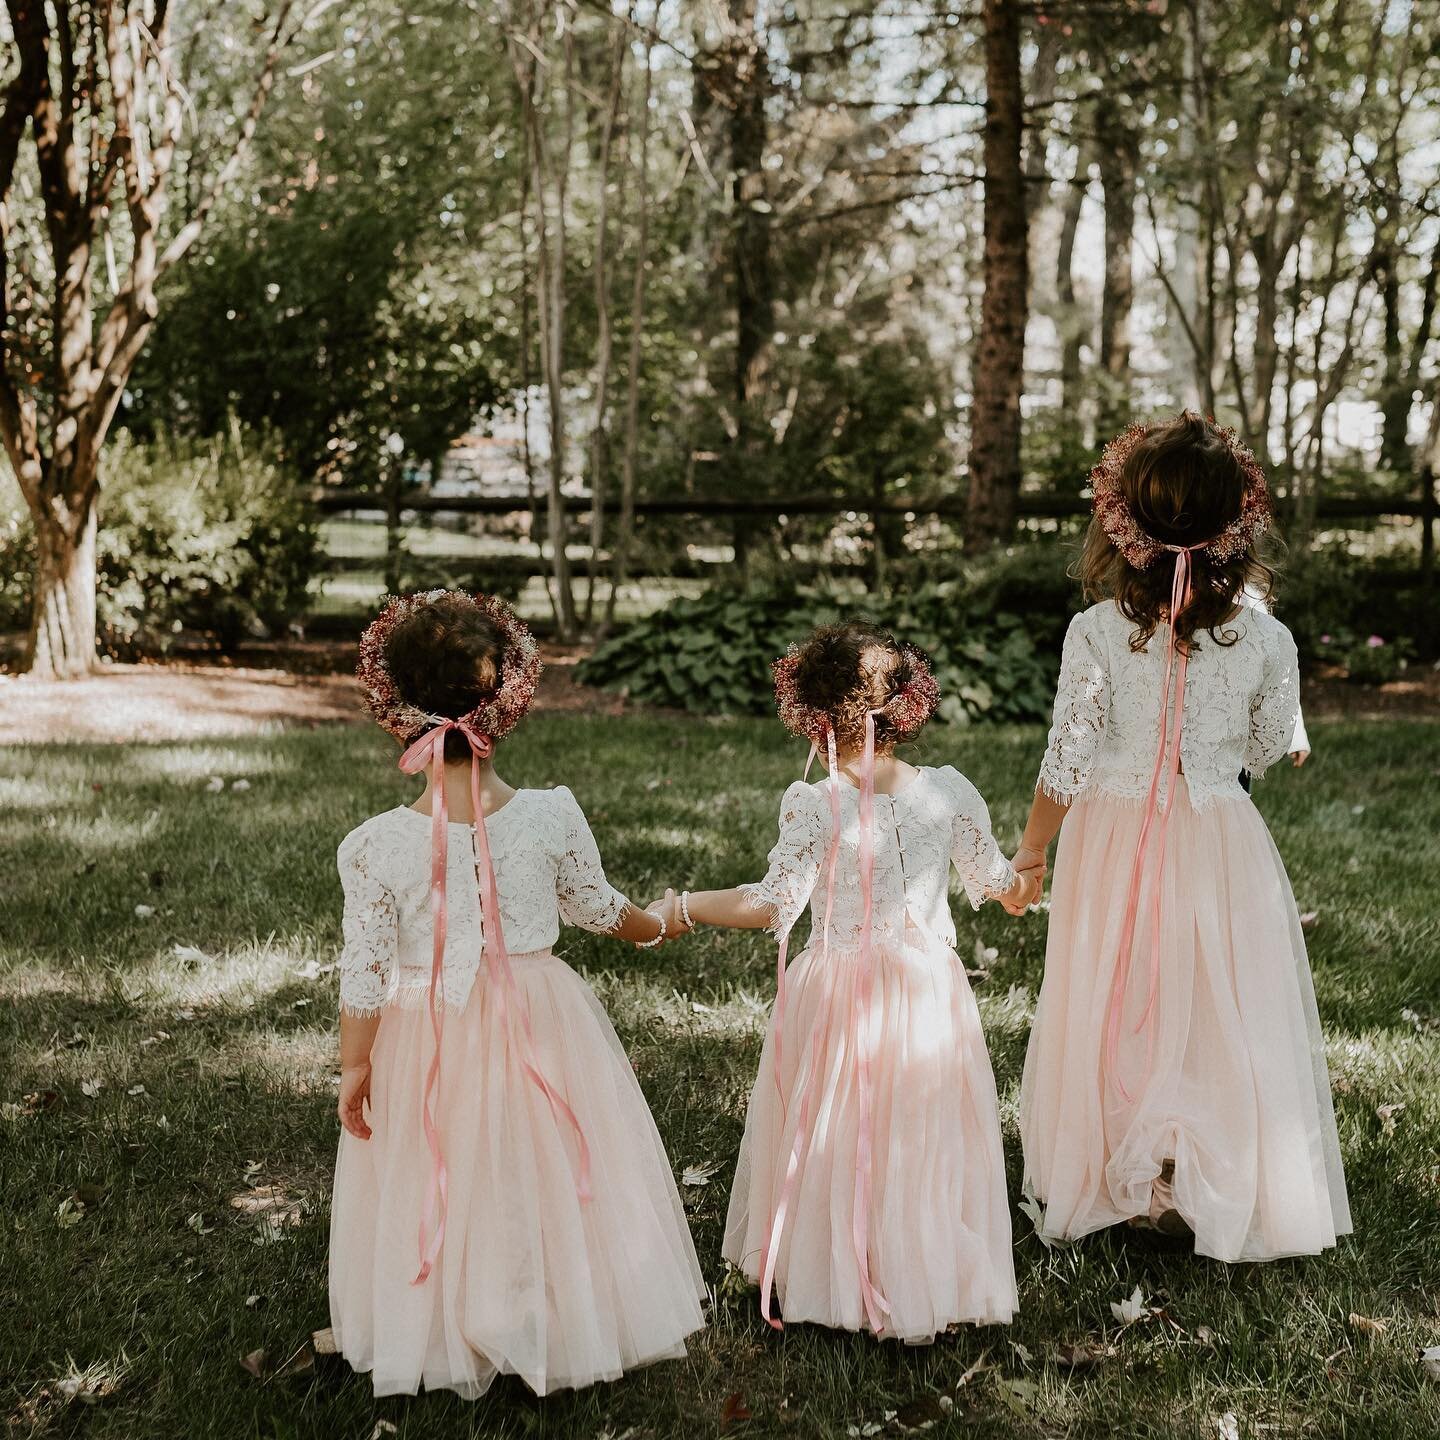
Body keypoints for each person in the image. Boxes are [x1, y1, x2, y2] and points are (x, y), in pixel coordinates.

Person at [329, 591, 705, 1398]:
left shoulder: (373, 848)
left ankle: (450, 1314)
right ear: (509, 705)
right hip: (541, 1012)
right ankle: (548, 1304)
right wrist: (663, 923)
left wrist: (355, 1069)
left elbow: (363, 971)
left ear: (395, 712)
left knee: (447, 1162)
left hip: (425, 1026)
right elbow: (598, 908)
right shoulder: (549, 815)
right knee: (542, 1162)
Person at [1013, 414, 1350, 1261]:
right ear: (1238, 523)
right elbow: (1271, 744)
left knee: (1120, 990)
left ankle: (1130, 1170)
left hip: (1112, 835)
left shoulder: (1096, 631)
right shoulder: (1266, 636)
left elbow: (1068, 756)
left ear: (1122, 521)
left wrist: (1031, 848)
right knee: (1211, 996)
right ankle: (1194, 1164)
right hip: (1216, 834)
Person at [656, 622, 1034, 1340]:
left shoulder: (815, 803)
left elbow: (772, 905)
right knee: (920, 1128)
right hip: (927, 991)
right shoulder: (949, 792)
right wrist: (1024, 882)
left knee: (841, 1125)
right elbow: (994, 881)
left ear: (816, 718)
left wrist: (684, 906)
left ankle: (838, 1272)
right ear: (907, 707)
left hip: (840, 989)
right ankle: (921, 1274)